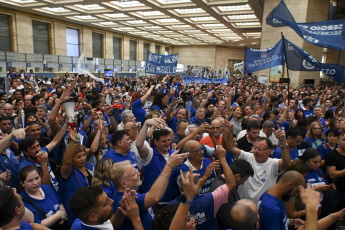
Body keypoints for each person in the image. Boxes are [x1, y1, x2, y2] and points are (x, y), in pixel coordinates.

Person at [111, 150, 188, 230]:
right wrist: (169, 166)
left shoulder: (131, 193)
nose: (139, 174)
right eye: (134, 174)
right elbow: (154, 197)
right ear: (124, 184)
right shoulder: (127, 200)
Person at [223, 120, 291, 205]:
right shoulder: (248, 157)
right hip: (242, 206)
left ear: (269, 151)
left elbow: (287, 163)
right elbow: (230, 148)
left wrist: (282, 141)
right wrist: (229, 133)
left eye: (260, 149)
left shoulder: (273, 164)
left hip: (262, 208)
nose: (256, 151)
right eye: (255, 148)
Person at [171, 145, 236, 230]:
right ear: (189, 154)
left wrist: (217, 171)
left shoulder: (171, 206)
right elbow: (231, 184)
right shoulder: (210, 200)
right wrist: (222, 159)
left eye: (201, 149)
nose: (202, 152)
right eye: (197, 150)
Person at [70, 185, 143, 230]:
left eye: (108, 198)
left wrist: (122, 208)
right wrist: (135, 218)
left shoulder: (80, 222)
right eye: (106, 203)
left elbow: (109, 224)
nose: (112, 201)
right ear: (93, 217)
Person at [209, 159, 254, 230]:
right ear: (238, 176)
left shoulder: (225, 183)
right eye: (244, 180)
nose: (242, 183)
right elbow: (227, 221)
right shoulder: (225, 191)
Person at [59, 142, 94, 225]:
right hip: (74, 214)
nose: (83, 158)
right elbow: (66, 162)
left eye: (83, 155)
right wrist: (72, 141)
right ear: (71, 159)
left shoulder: (88, 167)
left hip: (89, 211)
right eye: (78, 157)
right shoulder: (67, 172)